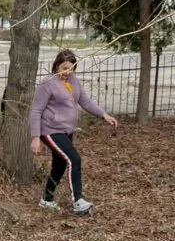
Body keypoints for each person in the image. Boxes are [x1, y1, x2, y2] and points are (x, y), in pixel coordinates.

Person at [29, 49, 117, 216]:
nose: (67, 72)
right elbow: (35, 111)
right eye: (64, 68)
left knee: (60, 164)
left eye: (71, 68)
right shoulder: (47, 84)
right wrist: (35, 137)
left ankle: (46, 200)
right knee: (74, 159)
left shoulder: (73, 81)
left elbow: (85, 101)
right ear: (56, 66)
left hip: (66, 130)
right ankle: (78, 201)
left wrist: (104, 115)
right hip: (50, 130)